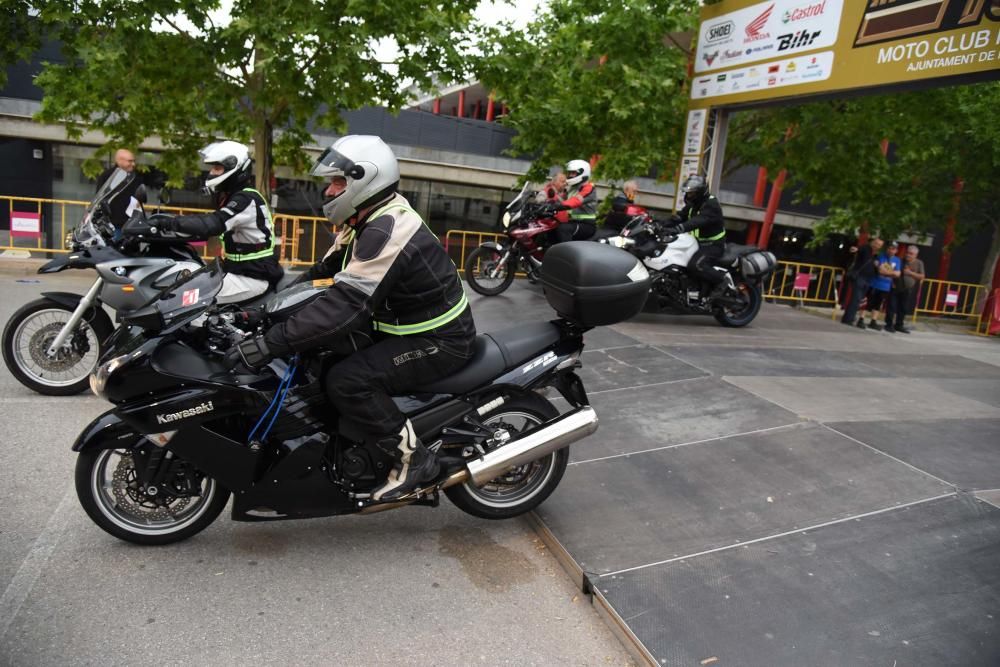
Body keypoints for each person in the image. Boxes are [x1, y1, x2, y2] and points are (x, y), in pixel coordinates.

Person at [228, 135, 476, 502]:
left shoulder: (386, 230)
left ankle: (415, 460)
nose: (329, 191)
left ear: (365, 180)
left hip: (439, 340)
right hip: (402, 328)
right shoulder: (364, 219)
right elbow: (319, 276)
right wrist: (263, 313)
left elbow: (344, 306)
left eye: (338, 183)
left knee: (347, 381)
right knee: (322, 359)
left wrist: (269, 344)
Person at [155, 141, 283, 304]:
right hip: (238, 270)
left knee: (188, 300)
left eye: (217, 168)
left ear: (234, 168)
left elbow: (213, 224)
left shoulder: (246, 199)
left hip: (254, 277)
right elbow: (206, 225)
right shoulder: (232, 197)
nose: (211, 173)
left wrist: (169, 222)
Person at [667, 175, 728, 299]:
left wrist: (679, 228)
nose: (688, 196)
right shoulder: (693, 205)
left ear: (700, 193)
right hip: (697, 244)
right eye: (687, 193)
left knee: (696, 265)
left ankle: (722, 282)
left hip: (713, 245)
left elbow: (698, 221)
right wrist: (659, 224)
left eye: (691, 193)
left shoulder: (711, 204)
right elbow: (679, 217)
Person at [95, 149, 143, 231]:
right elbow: (100, 198)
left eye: (133, 161)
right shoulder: (107, 176)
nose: (133, 164)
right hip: (111, 223)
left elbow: (138, 199)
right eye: (130, 161)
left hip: (130, 224)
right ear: (119, 161)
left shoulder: (136, 177)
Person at [857, 240, 901, 331]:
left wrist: (887, 273)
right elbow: (880, 270)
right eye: (889, 248)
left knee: (878, 304)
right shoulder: (880, 257)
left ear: (896, 250)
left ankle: (873, 321)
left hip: (885, 286)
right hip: (874, 283)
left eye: (893, 249)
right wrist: (892, 273)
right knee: (867, 302)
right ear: (887, 249)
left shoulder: (897, 260)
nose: (891, 250)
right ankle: (861, 319)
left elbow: (898, 274)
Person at [551, 159, 598, 243]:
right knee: (550, 226)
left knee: (563, 229)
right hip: (572, 222)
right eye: (569, 173)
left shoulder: (588, 187)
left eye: (573, 173)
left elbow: (576, 201)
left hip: (586, 225)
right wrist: (544, 203)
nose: (570, 175)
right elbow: (559, 200)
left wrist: (557, 206)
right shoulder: (572, 188)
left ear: (582, 173)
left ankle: (567, 254)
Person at [841, 235, 883, 326]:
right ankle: (848, 319)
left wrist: (877, 266)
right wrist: (855, 249)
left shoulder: (876, 255)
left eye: (879, 245)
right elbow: (858, 249)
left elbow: (876, 268)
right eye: (876, 243)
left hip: (868, 279)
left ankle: (849, 317)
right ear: (872, 242)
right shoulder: (866, 248)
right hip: (859, 277)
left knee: (859, 299)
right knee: (856, 298)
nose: (877, 246)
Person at [886, 244, 925, 333]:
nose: (908, 255)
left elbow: (922, 276)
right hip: (895, 286)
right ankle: (888, 324)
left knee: (903, 308)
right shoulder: (899, 260)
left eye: (911, 254)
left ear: (915, 255)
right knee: (892, 306)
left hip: (908, 289)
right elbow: (890, 271)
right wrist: (891, 281)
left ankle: (899, 325)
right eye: (907, 252)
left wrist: (910, 273)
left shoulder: (919, 263)